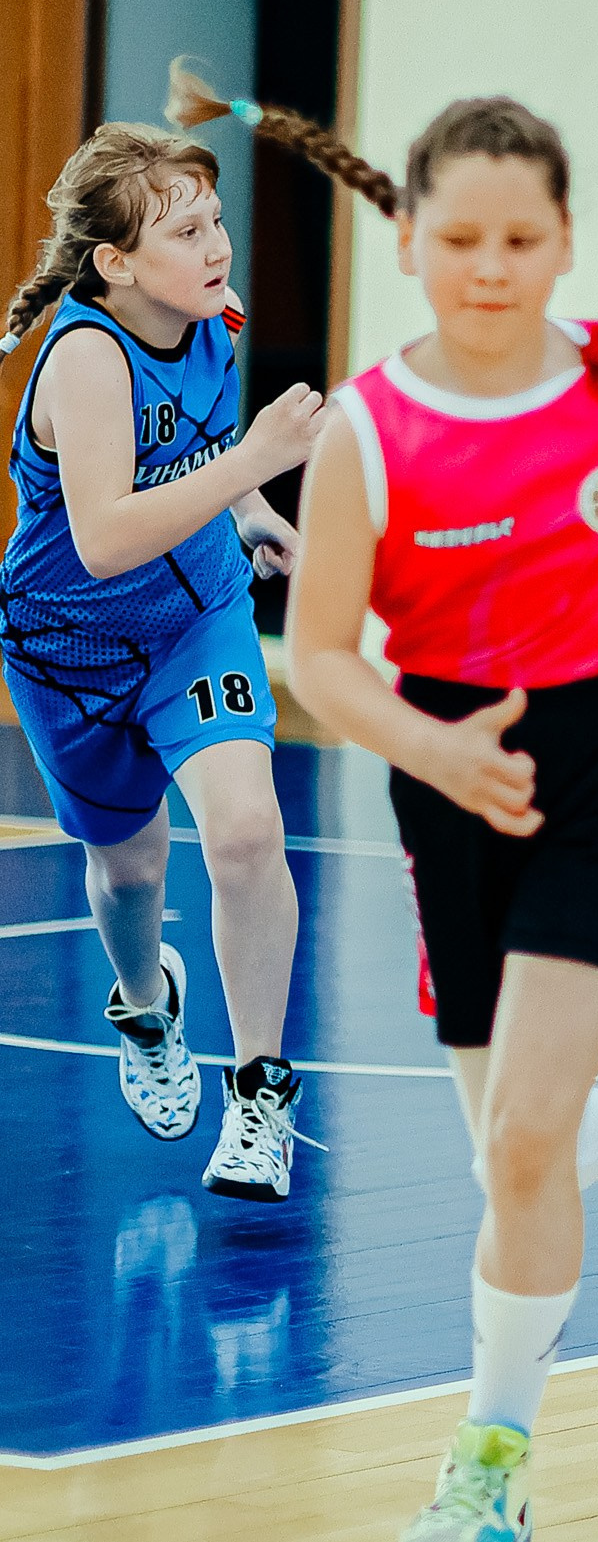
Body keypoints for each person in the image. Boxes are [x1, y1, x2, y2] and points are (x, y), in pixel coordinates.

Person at [177, 66, 598, 1538]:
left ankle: (490, 1467)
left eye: (520, 240)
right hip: (445, 766)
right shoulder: (368, 436)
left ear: (564, 240)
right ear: (410, 243)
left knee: (521, 1139)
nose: (491, 268)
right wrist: (432, 752)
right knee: (515, 1148)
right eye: (462, 240)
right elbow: (320, 659)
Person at [0, 102, 317, 1201]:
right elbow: (103, 537)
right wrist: (255, 465)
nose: (215, 245)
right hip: (70, 644)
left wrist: (252, 508)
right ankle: (144, 1006)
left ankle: (263, 1093)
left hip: (194, 619)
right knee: (129, 868)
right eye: (184, 232)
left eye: (216, 219)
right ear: (116, 262)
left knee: (243, 832)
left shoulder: (212, 317)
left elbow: (199, 453)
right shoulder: (86, 358)